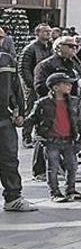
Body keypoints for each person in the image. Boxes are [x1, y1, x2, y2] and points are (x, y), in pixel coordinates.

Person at [25, 72, 81, 202]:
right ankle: (55, 192)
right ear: (55, 87)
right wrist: (29, 134)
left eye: (70, 83)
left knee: (72, 166)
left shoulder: (74, 102)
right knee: (52, 168)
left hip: (69, 139)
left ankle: (71, 189)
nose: (70, 86)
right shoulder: (43, 103)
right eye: (66, 83)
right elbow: (32, 119)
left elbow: (80, 120)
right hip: (51, 140)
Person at [0, 41, 36, 212]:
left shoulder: (6, 60)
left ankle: (13, 198)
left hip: (4, 118)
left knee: (9, 159)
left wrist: (20, 111)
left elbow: (16, 88)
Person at [18, 23, 53, 148]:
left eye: (49, 31)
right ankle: (26, 137)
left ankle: (40, 136)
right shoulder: (30, 48)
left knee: (45, 111)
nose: (48, 34)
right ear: (37, 33)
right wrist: (32, 84)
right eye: (45, 31)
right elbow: (23, 68)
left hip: (47, 85)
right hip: (33, 86)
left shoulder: (50, 48)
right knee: (31, 111)